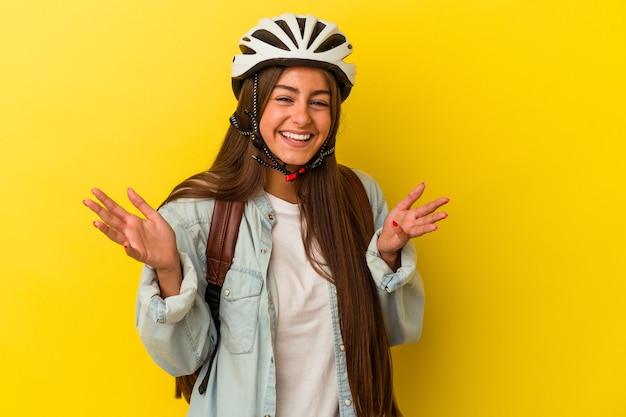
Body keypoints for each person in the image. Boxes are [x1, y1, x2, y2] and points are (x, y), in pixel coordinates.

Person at [84, 13, 449, 417]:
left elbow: (392, 332)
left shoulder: (359, 197)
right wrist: (170, 270)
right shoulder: (195, 215)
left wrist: (388, 254)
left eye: (319, 102)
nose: (303, 118)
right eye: (285, 98)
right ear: (252, 107)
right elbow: (185, 359)